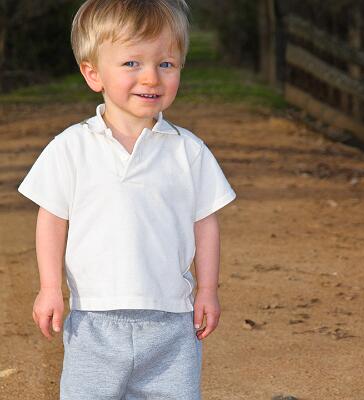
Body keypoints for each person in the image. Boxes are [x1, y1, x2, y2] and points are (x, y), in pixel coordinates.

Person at [17, 0, 237, 398]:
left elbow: (205, 222)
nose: (151, 77)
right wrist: (49, 287)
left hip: (172, 322)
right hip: (93, 323)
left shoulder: (188, 151)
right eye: (132, 63)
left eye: (166, 64)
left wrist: (208, 288)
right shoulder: (71, 147)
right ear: (93, 73)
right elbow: (52, 218)